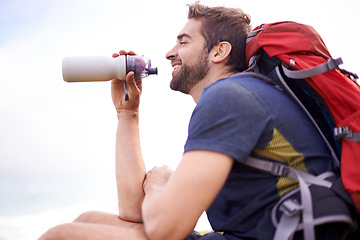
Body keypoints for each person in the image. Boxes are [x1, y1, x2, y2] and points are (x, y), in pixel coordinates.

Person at [39, 3, 353, 240]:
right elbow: (135, 213)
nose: (169, 53)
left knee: (62, 235)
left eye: (183, 42)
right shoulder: (242, 94)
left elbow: (167, 227)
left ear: (219, 52)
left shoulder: (230, 97)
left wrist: (161, 181)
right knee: (88, 219)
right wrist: (127, 115)